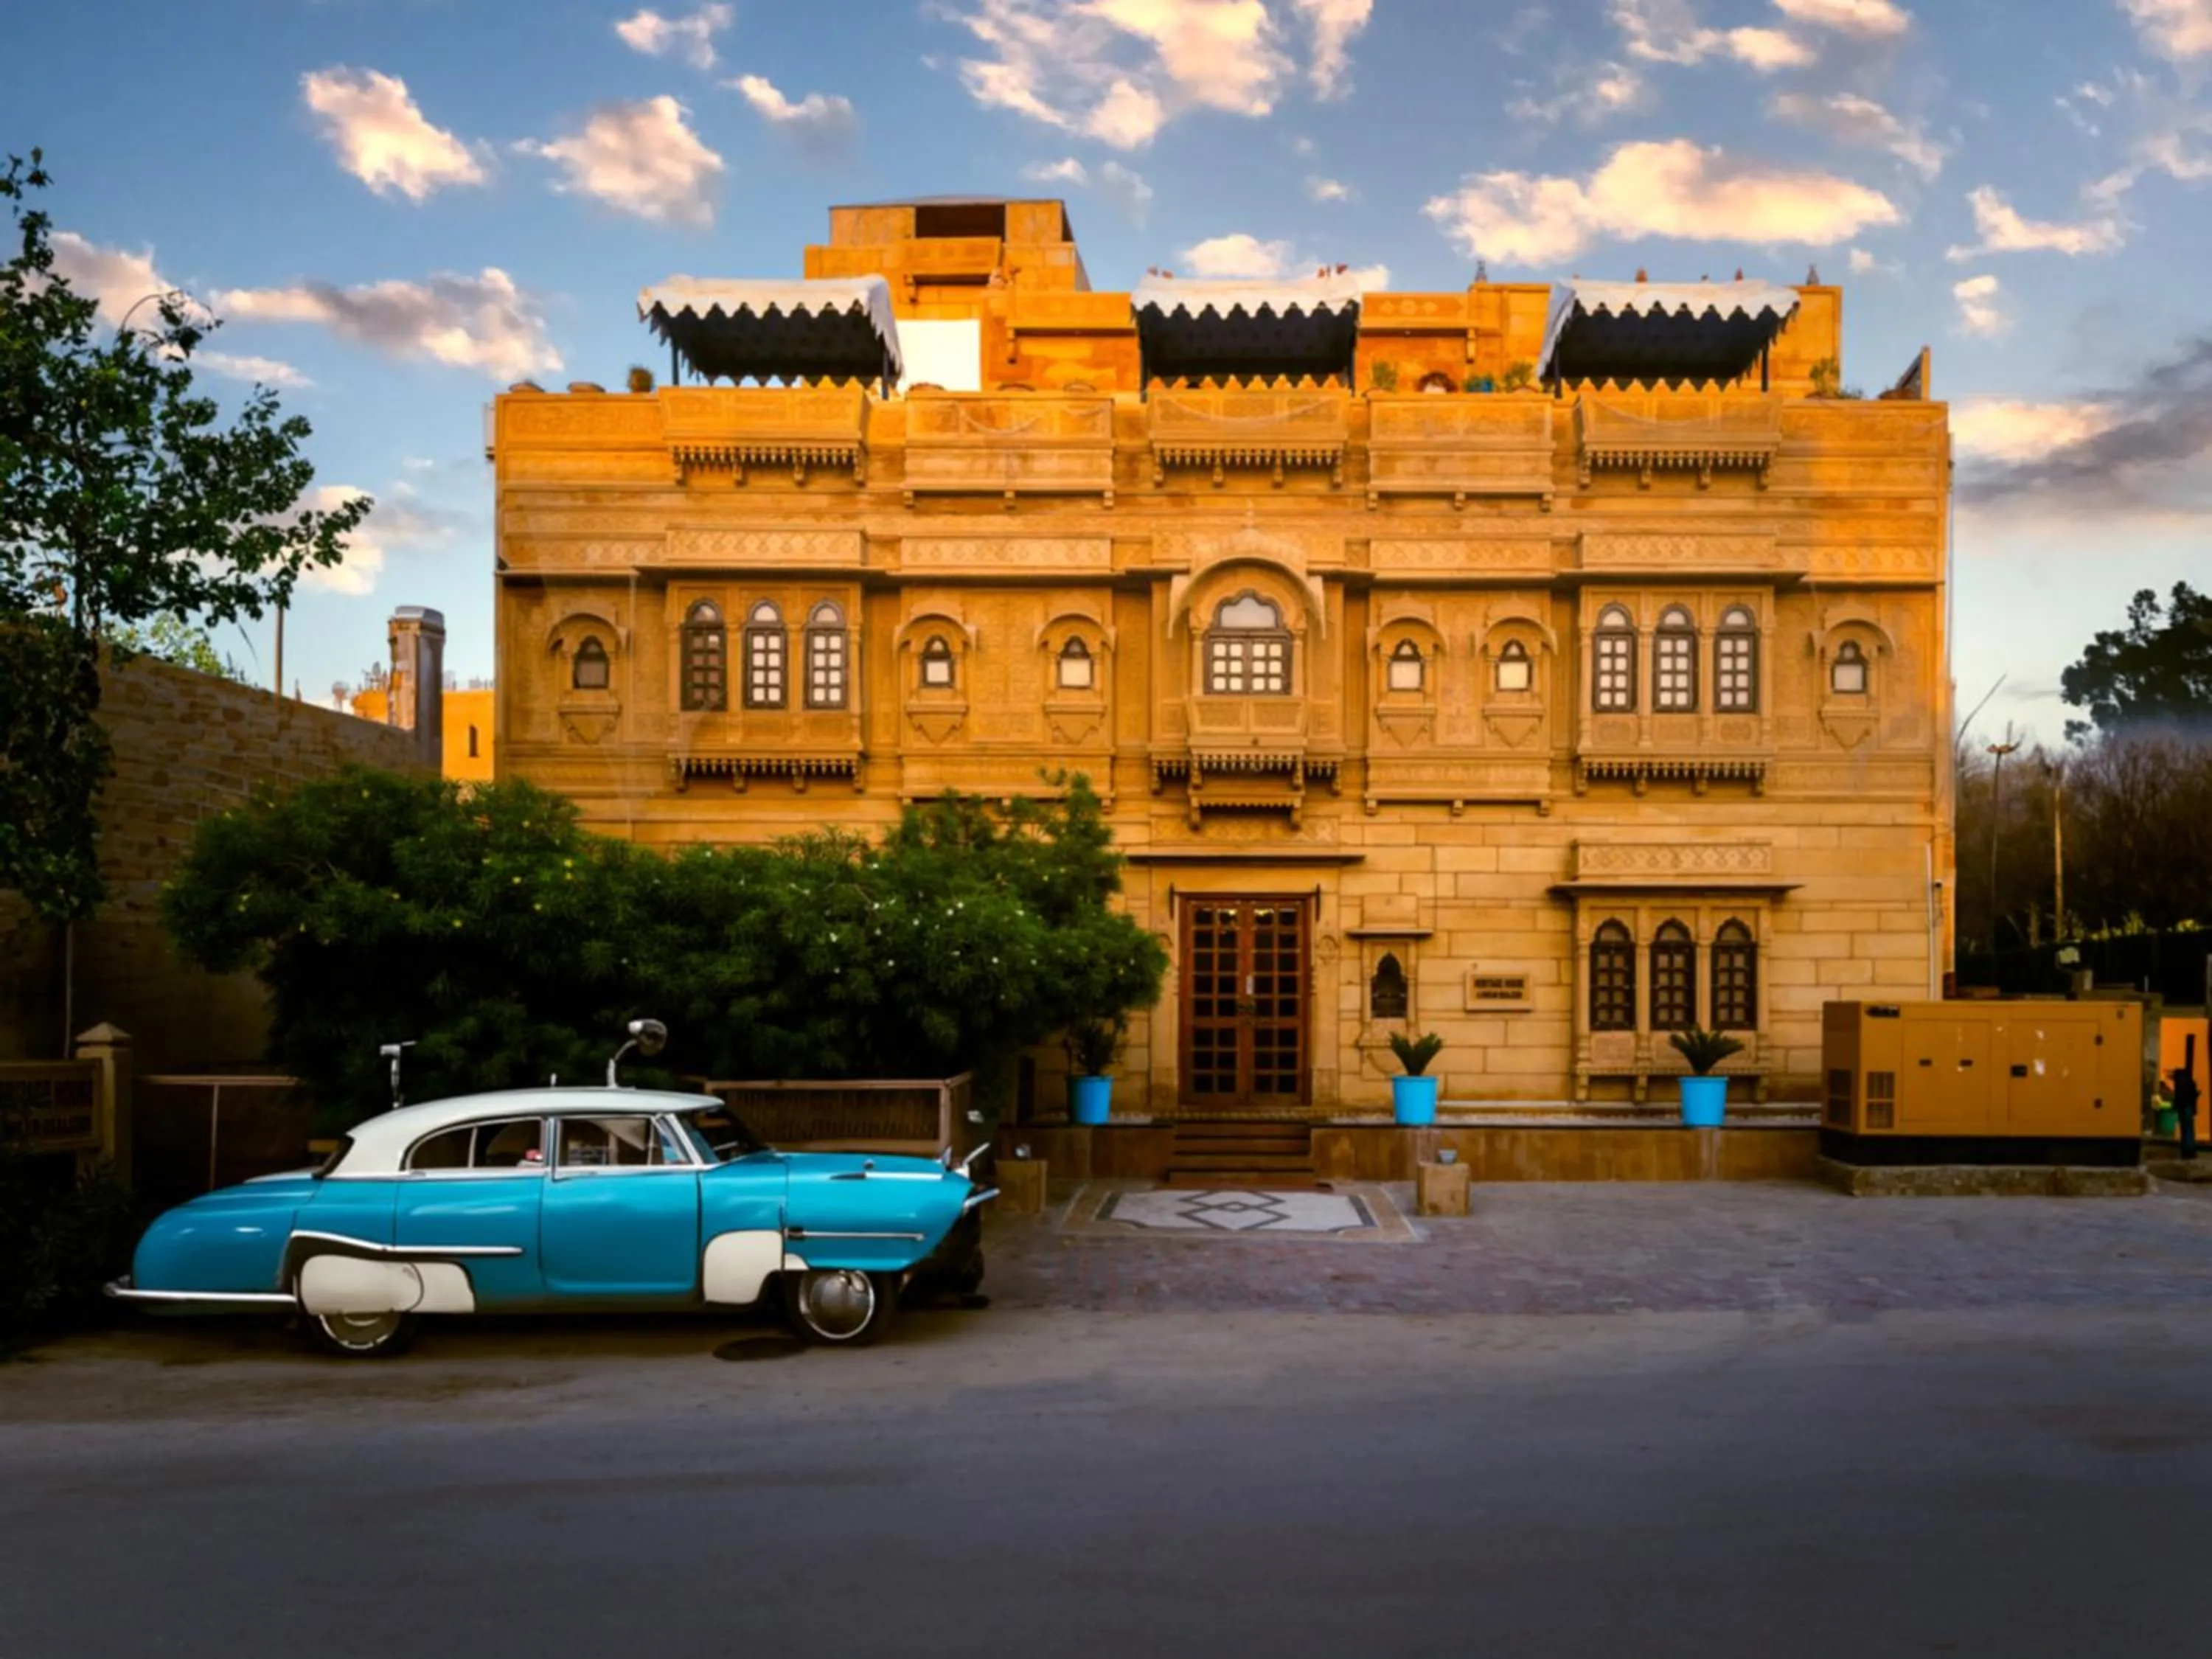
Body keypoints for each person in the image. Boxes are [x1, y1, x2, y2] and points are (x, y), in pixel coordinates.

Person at [2174, 1062, 2202, 1162]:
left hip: (2183, 1108)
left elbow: (2179, 1097)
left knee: (2185, 1129)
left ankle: (2187, 1150)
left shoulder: (2180, 1084)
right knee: (2189, 1129)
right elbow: (2193, 1095)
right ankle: (2190, 1150)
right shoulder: (2190, 1082)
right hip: (2188, 1107)